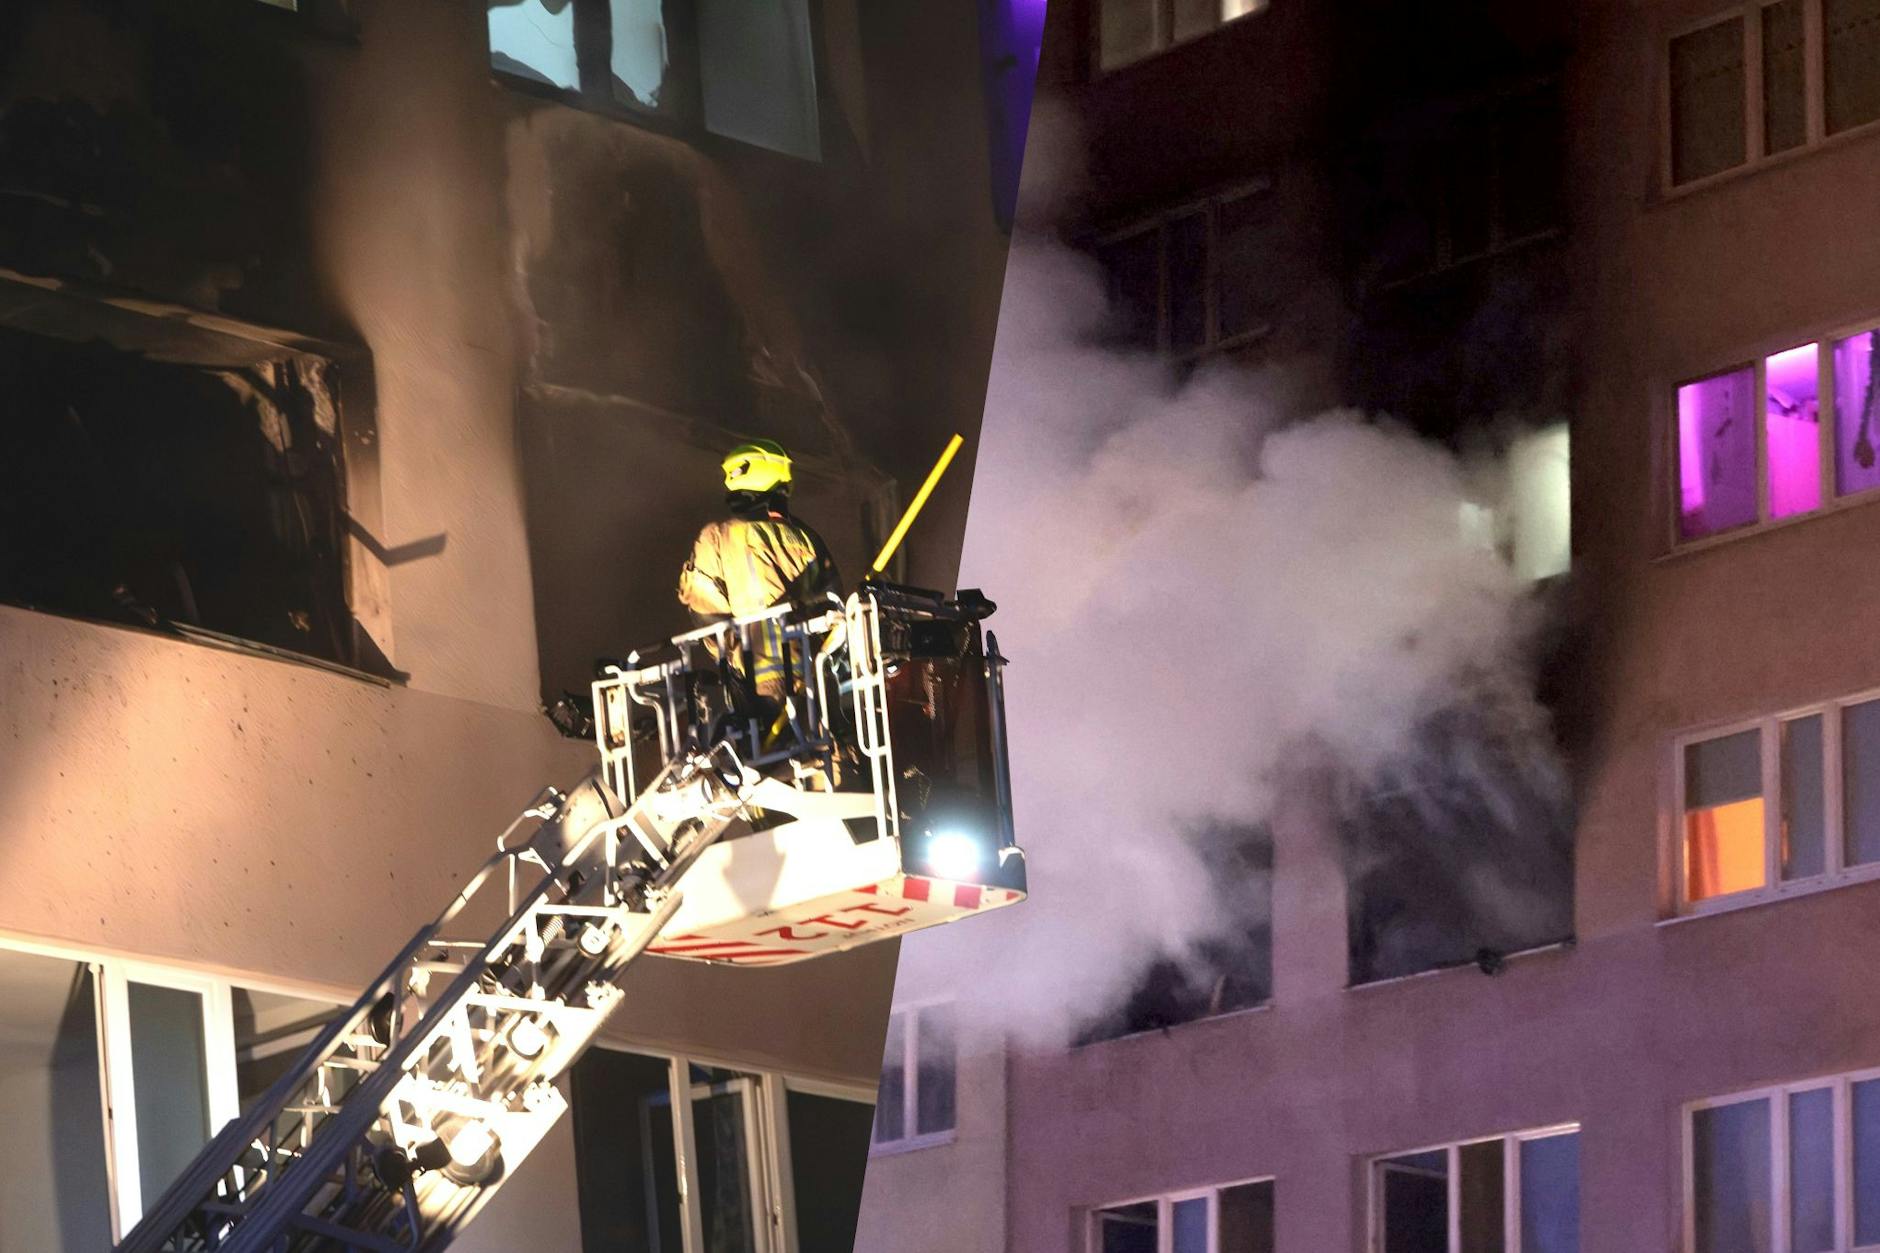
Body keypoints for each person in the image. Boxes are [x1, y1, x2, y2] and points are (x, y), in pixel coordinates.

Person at [678, 440, 840, 705]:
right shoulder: (809, 540)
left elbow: (705, 615)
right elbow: (834, 606)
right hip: (814, 685)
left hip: (755, 685)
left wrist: (732, 661)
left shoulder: (718, 537)